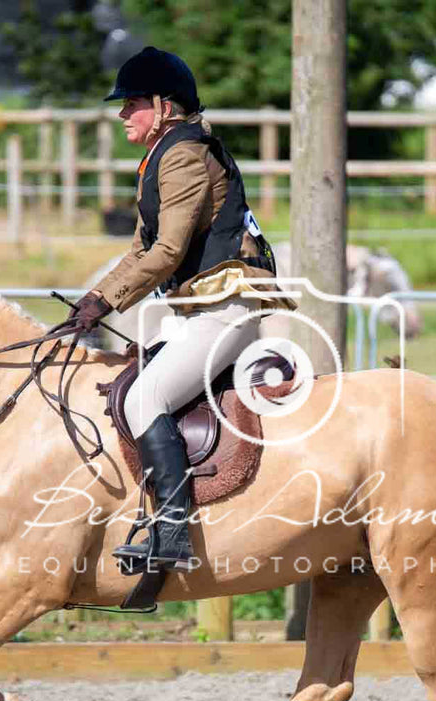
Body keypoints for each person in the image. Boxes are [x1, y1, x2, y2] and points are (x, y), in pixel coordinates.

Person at [66, 46, 279, 573]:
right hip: (200, 310)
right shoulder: (161, 155)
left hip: (225, 308)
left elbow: (166, 253)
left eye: (132, 103)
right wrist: (92, 300)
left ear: (163, 106)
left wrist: (105, 299)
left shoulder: (182, 153)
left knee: (145, 398)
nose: (121, 114)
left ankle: (174, 534)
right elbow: (141, 252)